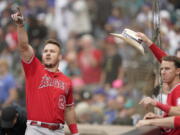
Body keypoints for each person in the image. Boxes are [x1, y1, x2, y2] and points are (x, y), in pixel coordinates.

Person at [11, 8, 79, 135]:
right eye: (45, 51)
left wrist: (75, 133)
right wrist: (20, 26)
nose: (48, 53)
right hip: (36, 129)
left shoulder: (67, 81)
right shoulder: (34, 69)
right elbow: (24, 47)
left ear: (60, 57)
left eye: (52, 51)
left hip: (58, 130)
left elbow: (69, 109)